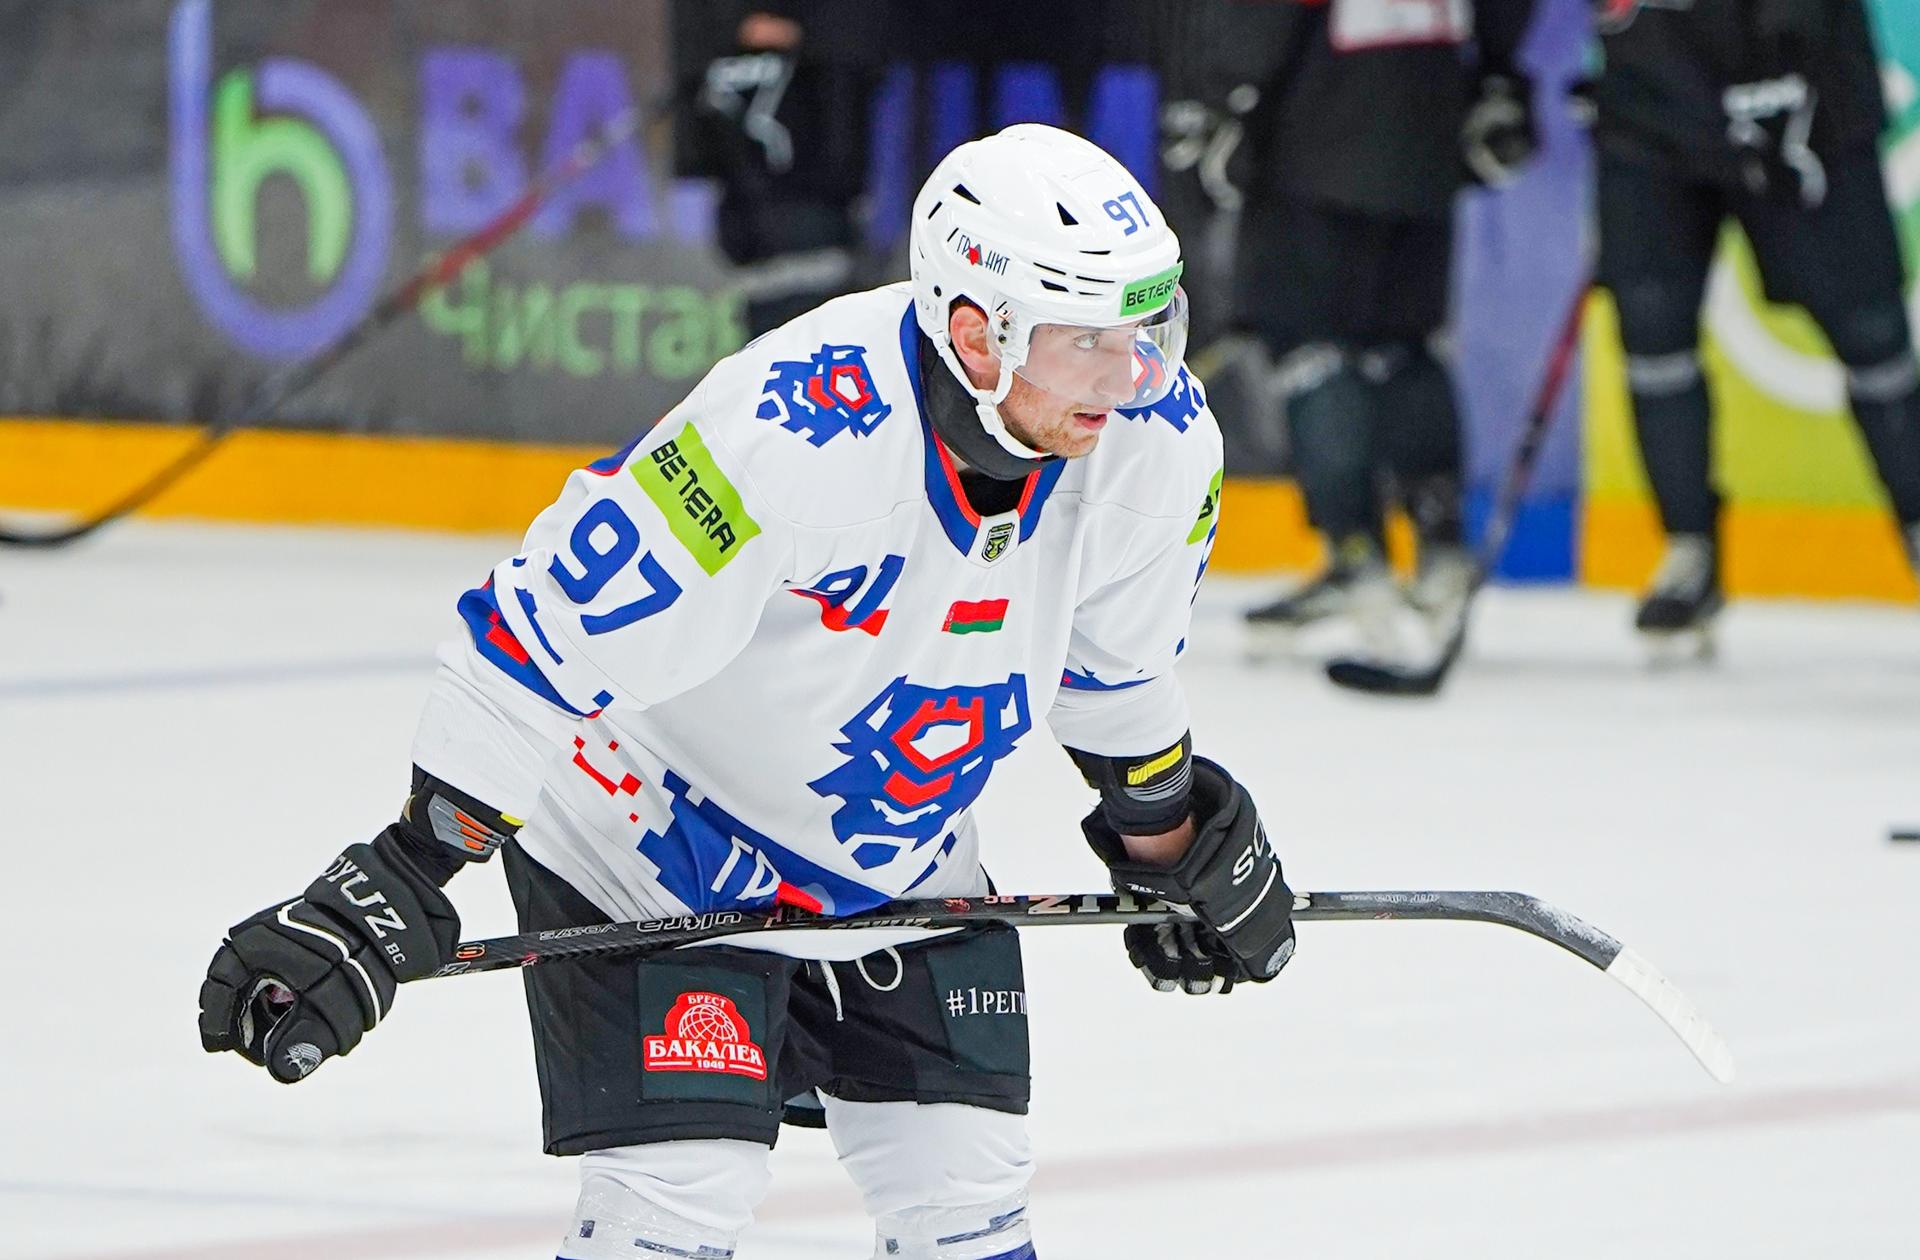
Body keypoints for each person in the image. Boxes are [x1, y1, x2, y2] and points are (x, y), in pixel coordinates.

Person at [197, 124, 1296, 1260]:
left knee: (967, 1190)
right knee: (682, 1193)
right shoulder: (787, 436)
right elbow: (537, 636)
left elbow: (1111, 672)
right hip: (652, 840)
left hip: (900, 857)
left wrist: (1171, 843)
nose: (1130, 379)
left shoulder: (1159, 444)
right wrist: (394, 879)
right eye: (1089, 342)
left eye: (1145, 333)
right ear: (979, 334)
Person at [1592, 0, 1920, 644]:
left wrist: (1795, 44)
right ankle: (1689, 547)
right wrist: (1499, 71)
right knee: (1654, 328)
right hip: (1652, 105)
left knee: (1870, 331)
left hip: (1804, 96)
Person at [1221, 0, 1540, 653]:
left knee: (1309, 346)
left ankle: (1356, 557)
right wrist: (1500, 78)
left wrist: (1228, 96)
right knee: (1405, 341)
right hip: (1429, 118)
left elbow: (1259, 26)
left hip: (1318, 124)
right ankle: (1441, 552)